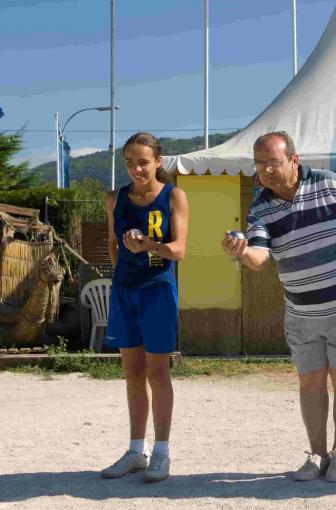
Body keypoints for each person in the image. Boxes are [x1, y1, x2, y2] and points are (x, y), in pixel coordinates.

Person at [222, 131, 336, 482]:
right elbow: (260, 256)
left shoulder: (331, 184)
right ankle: (317, 455)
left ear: (294, 160)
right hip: (302, 313)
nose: (265, 170)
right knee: (310, 382)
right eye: (259, 164)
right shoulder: (260, 206)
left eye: (272, 162)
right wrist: (242, 252)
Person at [101, 132, 189, 483]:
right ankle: (136, 451)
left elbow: (179, 249)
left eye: (143, 161)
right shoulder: (114, 199)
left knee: (157, 373)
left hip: (158, 292)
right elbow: (111, 245)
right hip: (125, 292)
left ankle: (162, 453)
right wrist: (123, 270)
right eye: (129, 162)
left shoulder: (174, 196)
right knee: (133, 374)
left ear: (158, 162)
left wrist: (149, 246)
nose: (136, 168)